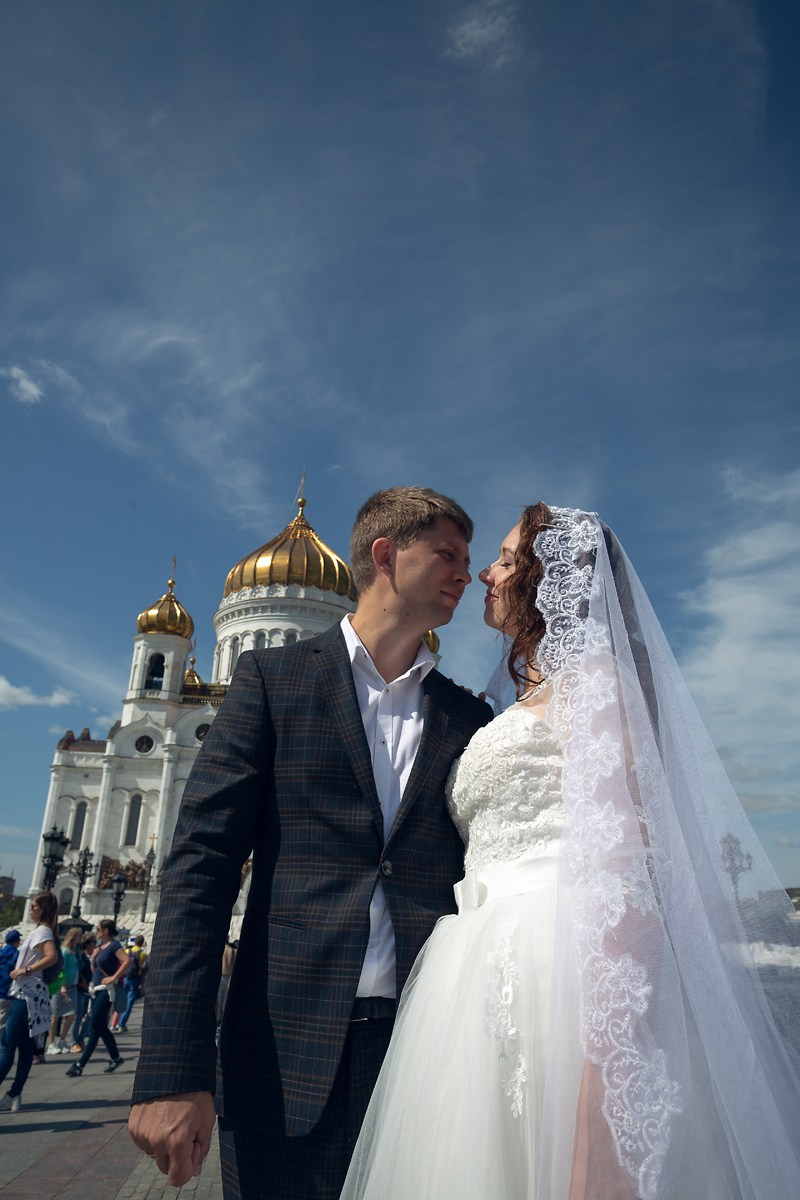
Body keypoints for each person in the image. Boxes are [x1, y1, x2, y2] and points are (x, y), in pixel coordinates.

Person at [342, 504, 800, 1200]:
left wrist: (607, 1087)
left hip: (557, 973)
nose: (486, 574)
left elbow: (626, 878)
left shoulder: (597, 686)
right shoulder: (519, 702)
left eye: (503, 556)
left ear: (550, 576)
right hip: (476, 972)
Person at [129, 486, 493, 1198]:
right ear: (386, 556)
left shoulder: (467, 718)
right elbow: (201, 869)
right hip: (283, 1056)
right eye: (448, 554)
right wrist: (174, 1069)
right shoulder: (274, 681)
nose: (466, 573)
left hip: (426, 1061)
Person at [0, 892, 59, 1113]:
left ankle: (13, 1093)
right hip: (32, 994)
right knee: (25, 1047)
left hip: (27, 994)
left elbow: (51, 956)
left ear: (42, 909)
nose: (30, 908)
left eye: (34, 906)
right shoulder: (42, 930)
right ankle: (14, 1094)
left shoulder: (43, 931)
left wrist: (24, 970)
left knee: (7, 1045)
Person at [66, 918, 128, 1077]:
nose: (97, 932)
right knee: (100, 1028)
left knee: (94, 1027)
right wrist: (93, 958)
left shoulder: (114, 946)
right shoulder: (99, 948)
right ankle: (116, 1057)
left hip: (106, 991)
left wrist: (114, 977)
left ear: (106, 930)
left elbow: (127, 961)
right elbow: (95, 972)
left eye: (99, 929)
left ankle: (80, 1064)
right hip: (95, 989)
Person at [46, 925, 82, 1054]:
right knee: (55, 1015)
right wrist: (61, 985)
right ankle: (51, 1043)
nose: (81, 938)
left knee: (71, 1014)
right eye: (79, 935)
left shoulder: (75, 951)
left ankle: (62, 1040)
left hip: (72, 986)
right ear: (73, 937)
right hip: (61, 986)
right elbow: (60, 968)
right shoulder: (65, 951)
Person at [117, 935, 147, 1030]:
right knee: (130, 1002)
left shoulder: (126, 951)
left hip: (125, 977)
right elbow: (144, 969)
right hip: (135, 979)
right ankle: (122, 1023)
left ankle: (117, 1022)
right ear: (142, 943)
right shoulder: (143, 954)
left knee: (122, 1000)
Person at [0, 930, 21, 1036]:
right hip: (8, 991)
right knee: (3, 1023)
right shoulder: (16, 953)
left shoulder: (1, 952)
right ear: (16, 941)